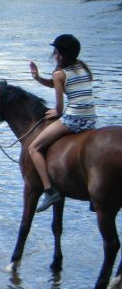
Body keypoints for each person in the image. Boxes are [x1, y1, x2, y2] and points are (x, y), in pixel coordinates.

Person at [29, 34, 96, 212]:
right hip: (90, 119)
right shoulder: (82, 66)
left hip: (74, 119)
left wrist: (54, 112)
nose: (54, 54)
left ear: (60, 54)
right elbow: (57, 84)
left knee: (34, 148)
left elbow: (59, 109)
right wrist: (38, 78)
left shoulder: (59, 74)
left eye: (55, 51)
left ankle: (49, 191)